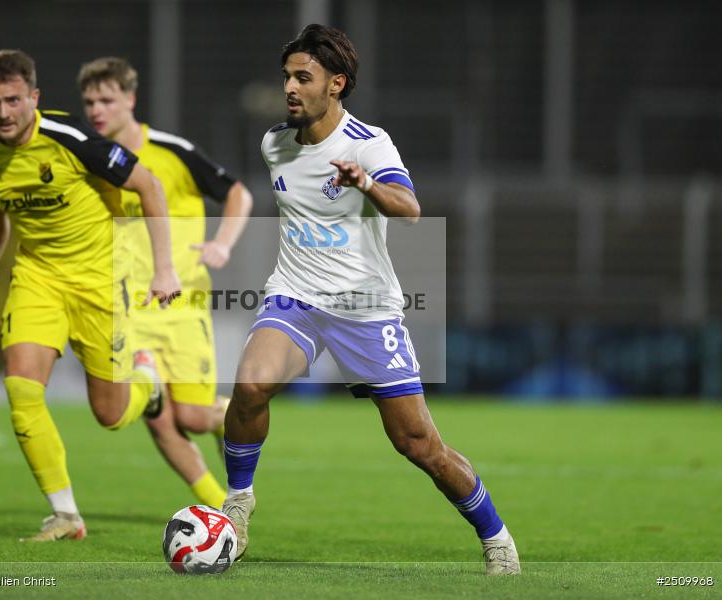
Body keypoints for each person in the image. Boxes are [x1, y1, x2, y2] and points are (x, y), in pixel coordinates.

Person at [220, 25, 521, 575]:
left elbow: (408, 209)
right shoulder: (275, 143)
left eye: (302, 77)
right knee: (249, 386)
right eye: (286, 75)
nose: (289, 86)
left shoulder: (367, 142)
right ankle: (237, 504)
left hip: (365, 308)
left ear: (336, 83)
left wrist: (365, 184)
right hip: (296, 296)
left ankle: (496, 535)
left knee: (418, 444)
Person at [0, 49, 181, 542]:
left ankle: (147, 385)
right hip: (37, 278)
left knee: (108, 415)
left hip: (100, 281)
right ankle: (65, 514)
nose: (3, 113)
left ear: (34, 98)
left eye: (13, 100)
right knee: (21, 389)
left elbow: (148, 185)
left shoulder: (76, 141)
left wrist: (163, 270)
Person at [77, 57, 253, 509]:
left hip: (181, 303)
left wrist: (223, 243)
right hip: (126, 307)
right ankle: (224, 510)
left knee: (192, 417)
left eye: (107, 99)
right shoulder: (90, 158)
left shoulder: (171, 151)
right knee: (158, 418)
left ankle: (222, 417)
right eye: (90, 101)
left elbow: (238, 193)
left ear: (130, 100)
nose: (97, 109)